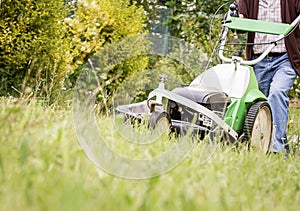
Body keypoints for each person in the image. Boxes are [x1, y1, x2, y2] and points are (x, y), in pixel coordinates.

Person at [237, 0, 300, 155]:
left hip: (285, 58)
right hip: (259, 57)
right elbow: (240, 19)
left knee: (277, 92)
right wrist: (237, 19)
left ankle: (277, 148)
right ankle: (254, 143)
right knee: (259, 102)